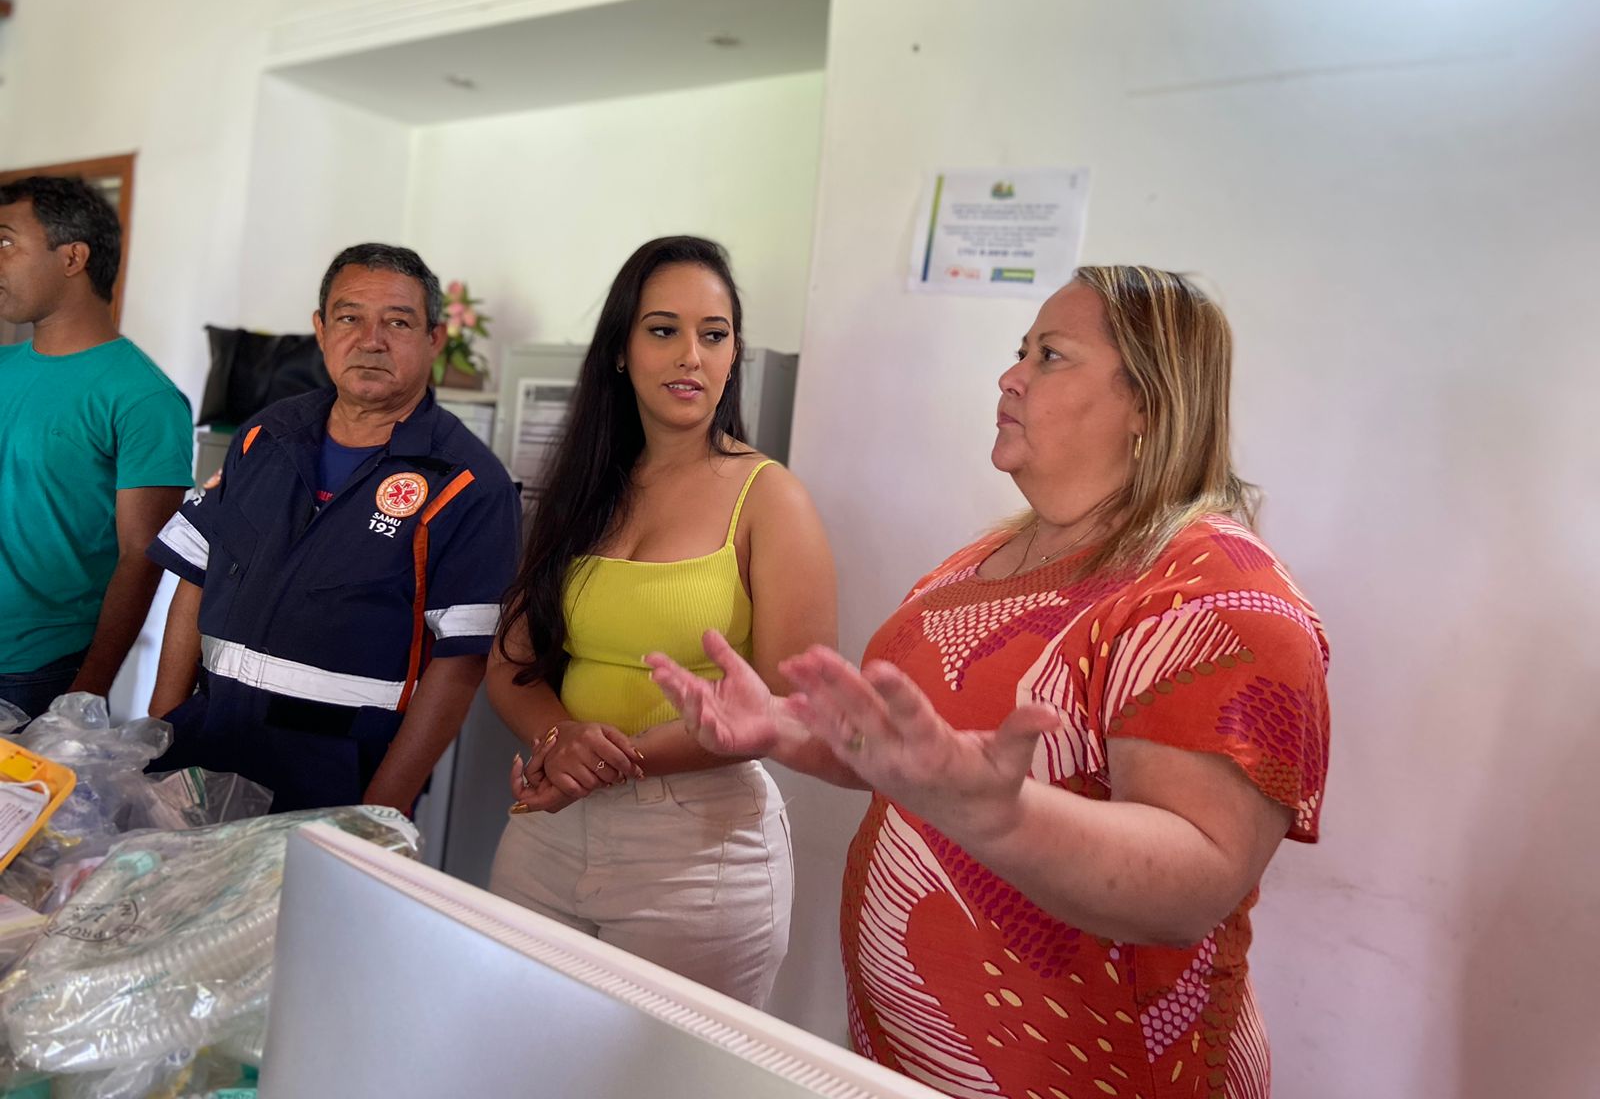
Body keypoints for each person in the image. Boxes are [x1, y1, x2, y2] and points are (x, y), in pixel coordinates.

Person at [649, 265, 1330, 1097]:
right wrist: (788, 731)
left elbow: (1193, 884)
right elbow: (917, 767)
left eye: (1051, 355)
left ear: (1149, 404)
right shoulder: (979, 562)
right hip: (904, 1062)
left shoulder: (1218, 591)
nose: (1010, 376)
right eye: (1021, 350)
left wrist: (1001, 817)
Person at [489, 235, 836, 1009]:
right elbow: (511, 659)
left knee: (659, 1067)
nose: (690, 356)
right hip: (549, 827)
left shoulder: (770, 498)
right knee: (517, 1048)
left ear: (734, 354)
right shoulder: (583, 488)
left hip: (698, 846)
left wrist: (606, 760)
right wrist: (557, 738)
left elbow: (793, 703)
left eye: (713, 335)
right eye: (662, 330)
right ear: (620, 351)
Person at [145, 243, 520, 813]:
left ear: (435, 339)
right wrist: (159, 735)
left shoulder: (468, 483)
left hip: (335, 781)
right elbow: (194, 580)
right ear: (321, 330)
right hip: (203, 752)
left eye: (398, 322)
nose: (371, 340)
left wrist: (378, 811)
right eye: (349, 318)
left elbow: (460, 665)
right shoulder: (264, 436)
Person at [0, 175, 192, 716]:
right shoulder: (3, 366)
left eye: (7, 241)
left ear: (72, 257)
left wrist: (85, 693)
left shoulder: (145, 398)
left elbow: (142, 556)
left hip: (36, 672)